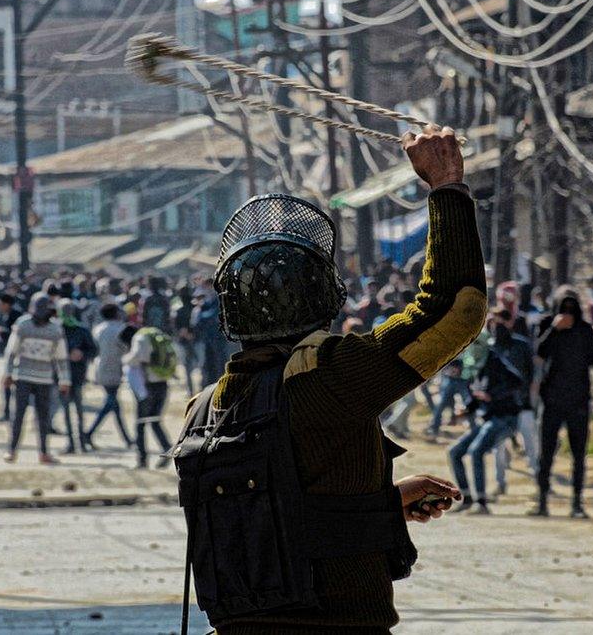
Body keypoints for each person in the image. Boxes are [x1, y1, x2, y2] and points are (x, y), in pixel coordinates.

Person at [173, 126, 483, 632]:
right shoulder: (328, 375)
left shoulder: (203, 409)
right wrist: (446, 186)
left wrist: (380, 503)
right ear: (324, 295)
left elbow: (277, 525)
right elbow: (456, 309)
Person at [533, 285, 593, 519]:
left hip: (578, 399)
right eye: (563, 306)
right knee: (546, 453)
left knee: (578, 455)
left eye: (571, 307)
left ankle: (577, 502)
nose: (567, 311)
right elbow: (539, 352)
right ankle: (542, 501)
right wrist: (554, 330)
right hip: (552, 398)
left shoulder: (585, 330)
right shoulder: (547, 324)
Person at [449, 307, 532, 514]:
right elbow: (478, 395)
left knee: (476, 452)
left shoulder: (494, 361)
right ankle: (467, 498)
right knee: (455, 452)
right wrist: (465, 410)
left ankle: (482, 503)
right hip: (488, 418)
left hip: (506, 418)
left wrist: (493, 396)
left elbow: (518, 381)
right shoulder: (474, 366)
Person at [2, 292, 70, 465]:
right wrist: (8, 373)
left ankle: (43, 453)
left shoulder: (55, 330)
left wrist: (64, 380)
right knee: (18, 416)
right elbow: (11, 351)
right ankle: (12, 450)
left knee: (43, 418)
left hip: (45, 379)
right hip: (23, 377)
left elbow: (61, 358)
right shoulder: (23, 325)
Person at [123, 326, 175, 469]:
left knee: (140, 424)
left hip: (148, 386)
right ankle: (167, 449)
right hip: (163, 384)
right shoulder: (157, 334)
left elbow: (137, 358)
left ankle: (142, 460)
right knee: (155, 420)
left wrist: (125, 359)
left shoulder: (140, 338)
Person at [84, 303, 132, 450]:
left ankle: (127, 438)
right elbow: (126, 349)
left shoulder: (98, 329)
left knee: (113, 404)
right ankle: (88, 433)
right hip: (115, 370)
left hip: (101, 369)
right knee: (111, 403)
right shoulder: (121, 328)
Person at [56, 299, 97, 454]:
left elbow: (93, 350)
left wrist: (82, 354)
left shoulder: (82, 330)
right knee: (66, 412)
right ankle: (71, 444)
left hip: (78, 376)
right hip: (62, 377)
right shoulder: (56, 330)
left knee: (78, 412)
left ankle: (81, 443)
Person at [0, 293, 22, 423]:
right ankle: (7, 412)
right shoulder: (7, 315)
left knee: (10, 383)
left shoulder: (17, 316)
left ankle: (10, 413)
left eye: (0, 304)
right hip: (10, 354)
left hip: (17, 356)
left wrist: (2, 333)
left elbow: (16, 336)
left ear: (6, 304)